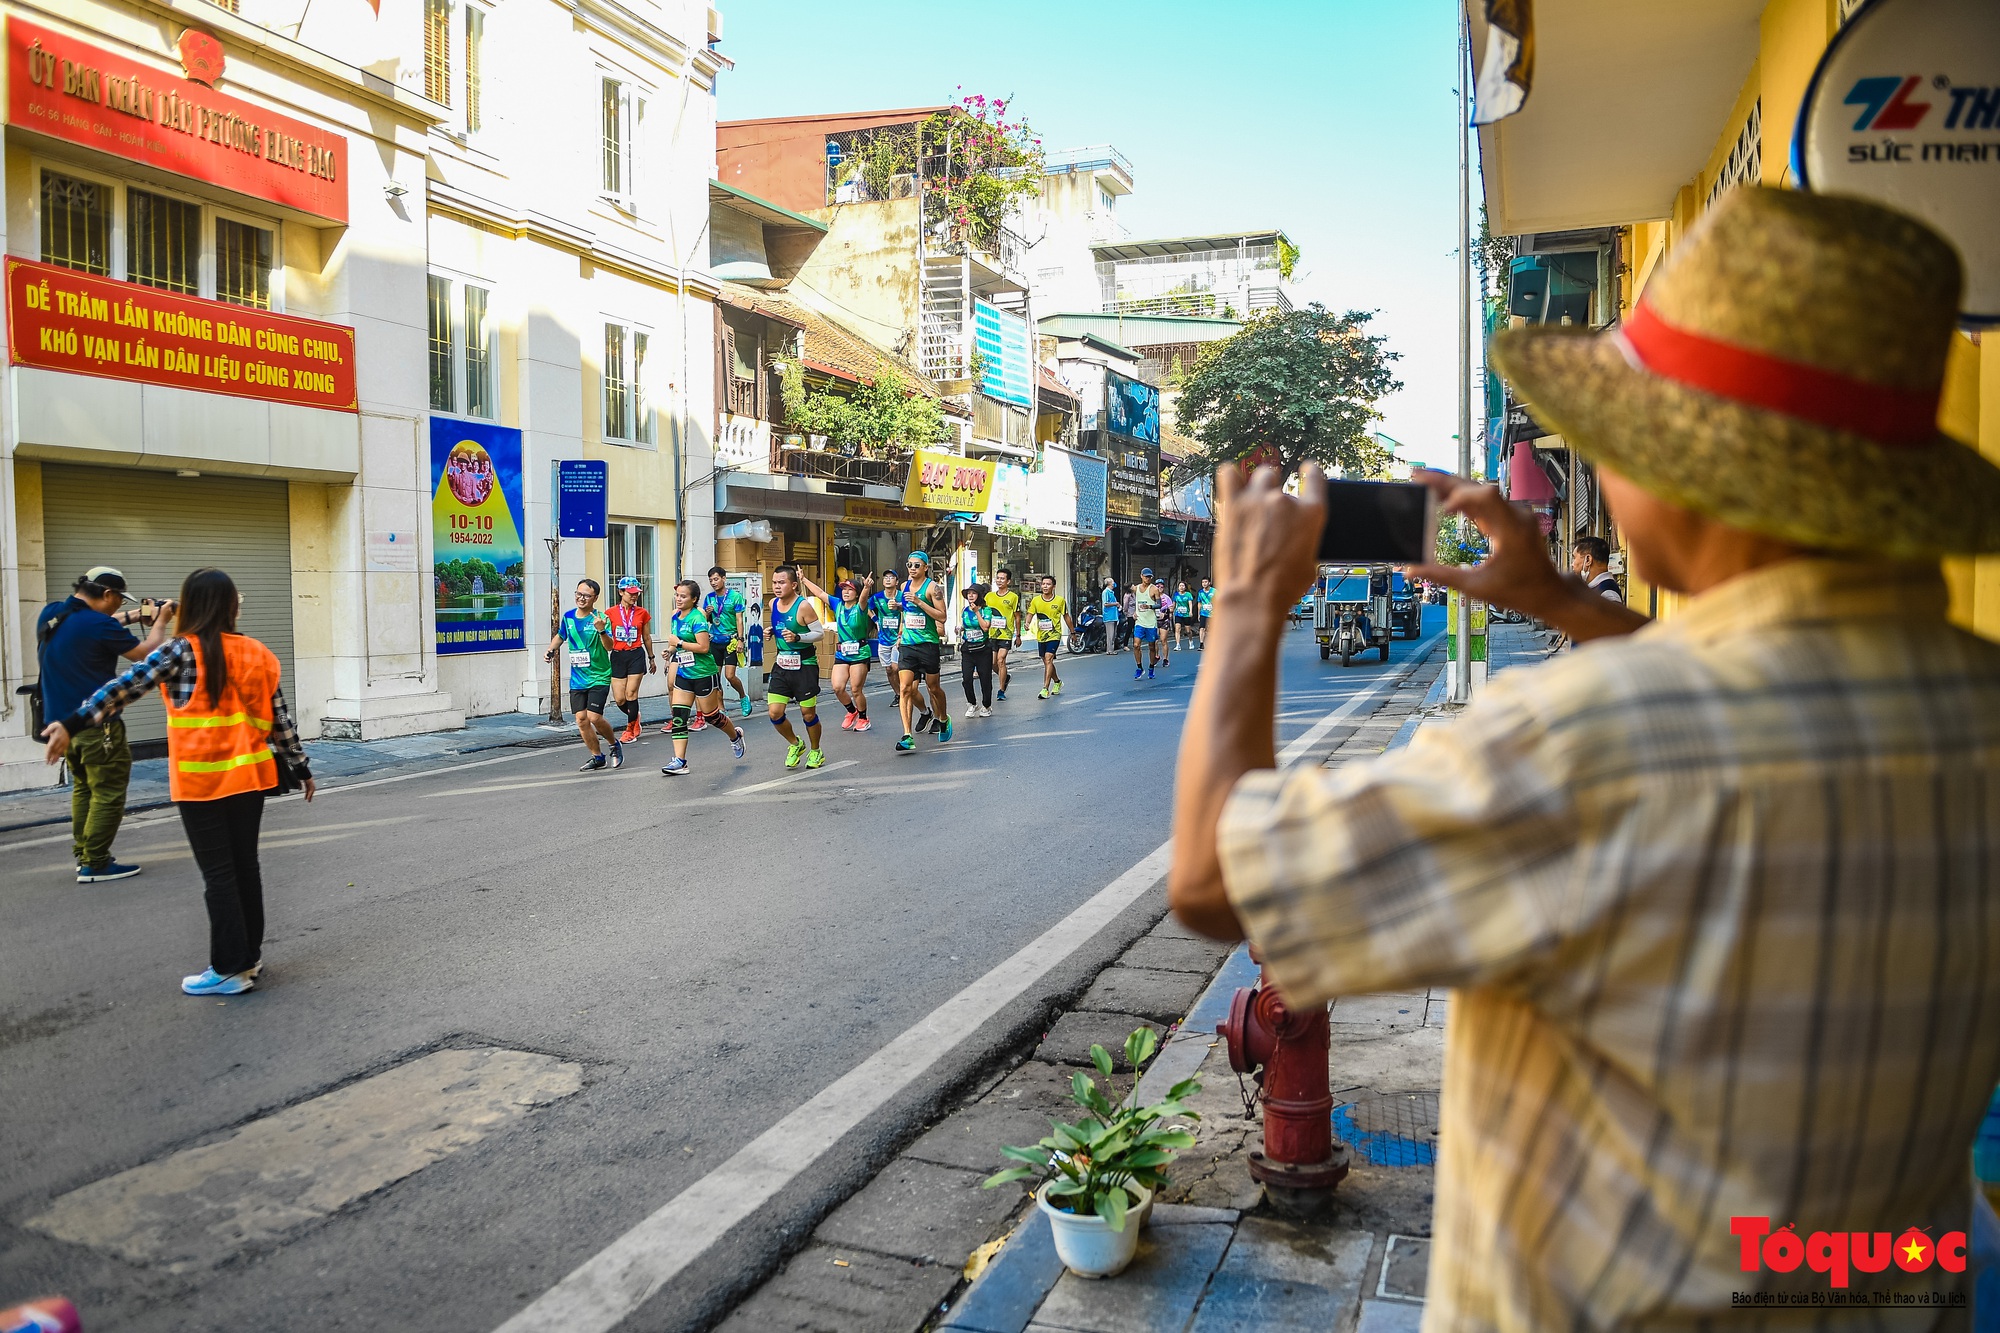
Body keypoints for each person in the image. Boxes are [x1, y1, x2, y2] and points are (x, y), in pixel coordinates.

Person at [1167, 189, 2000, 1325]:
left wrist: (1244, 604)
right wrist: (1564, 601)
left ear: (1690, 468)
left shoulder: (1589, 742)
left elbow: (1216, 880)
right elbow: (1784, 694)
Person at [41, 568, 316, 997]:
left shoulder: (180, 651)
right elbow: (281, 718)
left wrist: (70, 724)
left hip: (201, 782)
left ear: (192, 604)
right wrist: (301, 768)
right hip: (251, 777)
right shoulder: (259, 652)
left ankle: (229, 968)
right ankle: (248, 958)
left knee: (220, 875)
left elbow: (121, 689)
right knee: (246, 868)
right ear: (230, 607)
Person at [34, 567, 176, 882]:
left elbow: (101, 623)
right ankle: (96, 863)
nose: (116, 608)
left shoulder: (53, 613)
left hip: (63, 726)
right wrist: (162, 621)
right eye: (117, 601)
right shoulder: (98, 624)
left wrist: (137, 616)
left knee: (84, 788)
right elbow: (144, 654)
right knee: (109, 790)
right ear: (107, 595)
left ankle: (84, 855)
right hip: (98, 725)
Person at [657, 578, 746, 775]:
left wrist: (679, 644)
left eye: (683, 596)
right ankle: (680, 761)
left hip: (704, 674)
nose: (678, 599)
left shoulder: (698, 618)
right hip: (684, 673)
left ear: (694, 599)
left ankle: (735, 736)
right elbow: (675, 641)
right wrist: (670, 651)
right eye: (677, 595)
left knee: (711, 716)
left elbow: (704, 647)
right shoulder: (676, 617)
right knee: (679, 716)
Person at [544, 579, 622, 771]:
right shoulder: (568, 617)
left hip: (599, 675)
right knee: (581, 719)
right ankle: (597, 757)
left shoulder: (601, 618)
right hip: (578, 678)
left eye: (586, 595)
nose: (581, 598)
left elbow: (610, 647)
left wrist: (601, 630)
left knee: (594, 717)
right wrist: (550, 650)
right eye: (578, 594)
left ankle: (614, 744)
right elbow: (561, 636)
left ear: (595, 598)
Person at [766, 564, 827, 770]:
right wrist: (771, 631)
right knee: (774, 713)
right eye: (774, 582)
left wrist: (798, 637)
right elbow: (781, 626)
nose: (776, 586)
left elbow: (819, 633)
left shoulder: (803, 606)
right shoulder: (773, 603)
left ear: (793, 584)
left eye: (781, 582)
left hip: (805, 665)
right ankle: (795, 743)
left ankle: (816, 750)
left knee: (807, 713)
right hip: (782, 664)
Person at [893, 551, 953, 753]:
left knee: (933, 688)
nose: (912, 568)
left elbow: (942, 617)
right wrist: (899, 606)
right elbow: (908, 611)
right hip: (908, 644)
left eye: (917, 565)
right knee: (904, 688)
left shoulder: (933, 588)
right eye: (909, 564)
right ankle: (907, 735)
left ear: (925, 567)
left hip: (928, 643)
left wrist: (920, 602)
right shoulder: (904, 586)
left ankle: (943, 718)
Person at [808, 574, 876, 732]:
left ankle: (864, 718)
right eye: (844, 589)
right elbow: (819, 593)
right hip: (842, 653)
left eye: (850, 589)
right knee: (837, 687)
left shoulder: (860, 607)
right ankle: (852, 711)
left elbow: (864, 598)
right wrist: (804, 579)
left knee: (855, 689)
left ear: (857, 593)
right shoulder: (837, 604)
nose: (845, 592)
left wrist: (866, 587)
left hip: (860, 653)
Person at [604, 576, 654, 743]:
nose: (634, 596)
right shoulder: (610, 613)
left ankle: (630, 729)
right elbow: (606, 638)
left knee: (631, 693)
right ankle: (635, 715)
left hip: (636, 654)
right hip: (618, 655)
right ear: (621, 592)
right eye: (631, 593)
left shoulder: (642, 613)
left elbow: (647, 637)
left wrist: (651, 657)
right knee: (619, 698)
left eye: (636, 593)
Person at [700, 566, 753, 721]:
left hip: (731, 640)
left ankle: (743, 697)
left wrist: (741, 640)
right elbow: (706, 621)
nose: (713, 583)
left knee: (729, 676)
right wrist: (708, 614)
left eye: (716, 579)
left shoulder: (735, 597)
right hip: (715, 640)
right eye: (710, 580)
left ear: (724, 578)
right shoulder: (709, 598)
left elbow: (739, 619)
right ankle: (721, 708)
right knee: (715, 677)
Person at [1025, 575, 1071, 699]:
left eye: (1048, 584)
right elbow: (1030, 613)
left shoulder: (1060, 601)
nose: (1045, 586)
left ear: (1053, 586)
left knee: (1048, 658)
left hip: (1054, 634)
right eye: (1043, 584)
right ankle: (1057, 682)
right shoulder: (1036, 600)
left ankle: (1045, 689)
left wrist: (1072, 632)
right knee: (1046, 661)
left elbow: (1066, 616)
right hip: (1041, 636)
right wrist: (1027, 623)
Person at [984, 568, 1022, 702]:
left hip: (1005, 634)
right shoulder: (989, 597)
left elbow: (1017, 617)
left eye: (1002, 578)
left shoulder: (1013, 597)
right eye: (998, 578)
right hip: (991, 634)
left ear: (1008, 581)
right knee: (992, 663)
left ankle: (1001, 690)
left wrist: (1018, 635)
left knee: (1001, 660)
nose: (999, 580)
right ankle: (1005, 678)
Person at [958, 583, 994, 718]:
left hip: (983, 649)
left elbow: (985, 627)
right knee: (966, 678)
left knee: (985, 679)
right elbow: (965, 625)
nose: (970, 596)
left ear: (979, 596)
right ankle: (972, 703)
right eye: (968, 593)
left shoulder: (986, 610)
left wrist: (977, 612)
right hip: (968, 649)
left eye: (973, 593)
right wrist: (960, 629)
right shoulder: (965, 610)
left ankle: (986, 705)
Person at [1129, 569, 1162, 679]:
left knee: (1151, 646)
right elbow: (1131, 599)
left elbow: (1159, 604)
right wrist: (1133, 612)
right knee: (1136, 645)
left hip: (1151, 623)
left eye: (1150, 577)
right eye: (1146, 576)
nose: (1148, 579)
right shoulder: (1136, 588)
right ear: (1141, 576)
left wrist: (1150, 606)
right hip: (1140, 622)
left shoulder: (1154, 589)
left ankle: (1151, 667)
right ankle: (1139, 667)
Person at [1571, 534, 1623, 602]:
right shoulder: (1595, 589)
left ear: (1588, 560)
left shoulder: (1608, 594)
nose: (1572, 564)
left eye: (1574, 558)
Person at [1172, 580, 1196, 657]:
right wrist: (1172, 610)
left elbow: (1190, 603)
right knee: (1177, 629)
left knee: (1188, 630)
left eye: (1183, 586)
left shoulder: (1188, 594)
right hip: (1178, 614)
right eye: (1180, 586)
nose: (1181, 587)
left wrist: (1191, 612)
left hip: (1186, 614)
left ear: (1185, 587)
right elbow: (1174, 604)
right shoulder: (1176, 595)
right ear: (1178, 587)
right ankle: (1178, 644)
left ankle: (1190, 641)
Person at [1100, 577, 1121, 653]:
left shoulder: (1111, 592)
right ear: (1109, 583)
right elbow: (1105, 604)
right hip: (1109, 616)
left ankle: (1111, 649)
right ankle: (1109, 650)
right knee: (1110, 634)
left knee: (1113, 635)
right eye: (1113, 582)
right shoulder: (1106, 592)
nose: (1114, 583)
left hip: (1114, 615)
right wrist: (1115, 604)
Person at [1196, 576, 1213, 649]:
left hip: (1213, 614)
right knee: (1202, 628)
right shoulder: (1200, 592)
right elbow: (1199, 603)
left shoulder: (1214, 591)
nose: (1204, 583)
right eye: (1203, 582)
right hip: (1203, 613)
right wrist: (1198, 614)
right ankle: (1201, 643)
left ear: (1209, 583)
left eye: (1206, 582)